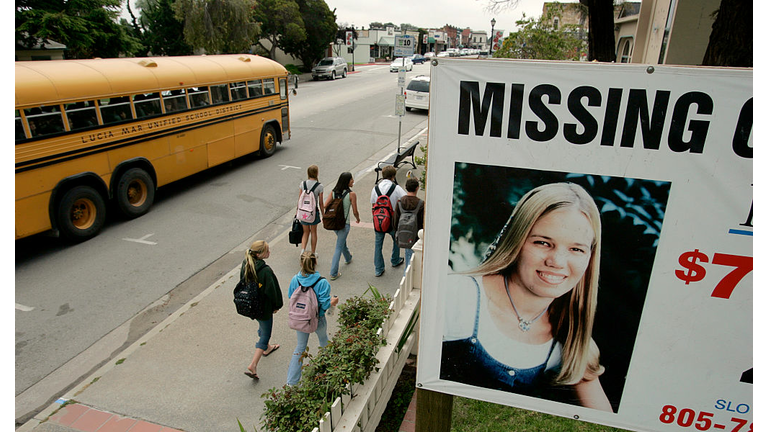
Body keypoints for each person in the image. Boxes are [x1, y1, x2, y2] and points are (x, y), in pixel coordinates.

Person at [440, 182, 613, 412]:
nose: (557, 262)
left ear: (590, 257)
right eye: (543, 242)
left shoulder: (572, 339)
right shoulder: (456, 296)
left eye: (576, 249)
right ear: (517, 240)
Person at [286, 251, 340, 386]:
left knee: (300, 347)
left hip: (301, 319)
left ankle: (291, 383)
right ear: (315, 263)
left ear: (301, 264)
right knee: (323, 340)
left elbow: (290, 296)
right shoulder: (322, 282)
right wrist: (332, 302)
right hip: (318, 318)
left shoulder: (295, 279)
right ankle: (330, 371)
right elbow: (325, 304)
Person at [241, 241, 283, 380]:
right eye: (267, 251)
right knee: (266, 334)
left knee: (261, 325)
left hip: (251, 305)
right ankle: (253, 364)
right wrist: (277, 306)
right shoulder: (265, 271)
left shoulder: (246, 264)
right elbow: (272, 291)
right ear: (259, 254)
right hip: (264, 308)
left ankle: (268, 347)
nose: (269, 252)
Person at [370, 165, 407, 277]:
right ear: (393, 176)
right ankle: (395, 260)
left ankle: (378, 269)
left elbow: (373, 204)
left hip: (378, 220)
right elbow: (405, 198)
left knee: (378, 244)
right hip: (392, 221)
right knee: (396, 241)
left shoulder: (375, 188)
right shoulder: (395, 188)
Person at [324, 172, 361, 281]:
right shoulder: (351, 195)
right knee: (338, 246)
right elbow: (355, 211)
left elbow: (325, 205)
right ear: (347, 181)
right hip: (344, 224)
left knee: (341, 241)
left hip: (334, 223)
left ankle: (348, 257)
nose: (353, 181)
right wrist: (358, 219)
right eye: (351, 180)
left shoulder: (333, 192)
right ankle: (333, 272)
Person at [393, 177, 424, 276]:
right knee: (416, 258)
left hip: (405, 234)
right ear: (417, 188)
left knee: (408, 256)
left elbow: (395, 220)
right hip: (417, 235)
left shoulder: (400, 202)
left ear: (406, 188)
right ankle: (410, 277)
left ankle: (406, 276)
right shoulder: (421, 204)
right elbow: (423, 221)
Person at [298, 165, 324, 255]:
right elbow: (321, 203)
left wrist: (297, 211)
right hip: (313, 212)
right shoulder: (319, 186)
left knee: (305, 232)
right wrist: (323, 214)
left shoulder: (302, 184)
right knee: (313, 232)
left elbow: (300, 199)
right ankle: (313, 252)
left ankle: (302, 250)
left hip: (303, 212)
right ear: (317, 173)